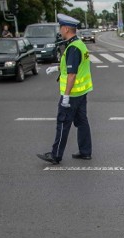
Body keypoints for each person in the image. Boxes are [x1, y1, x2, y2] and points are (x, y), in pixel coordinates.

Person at [37, 14, 93, 165]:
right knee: (82, 121)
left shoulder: (73, 48)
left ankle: (55, 155)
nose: (60, 30)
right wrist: (57, 68)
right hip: (82, 92)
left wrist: (66, 96)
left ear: (67, 29)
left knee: (62, 122)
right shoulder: (79, 44)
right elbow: (76, 66)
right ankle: (85, 151)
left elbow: (72, 74)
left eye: (61, 27)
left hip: (73, 93)